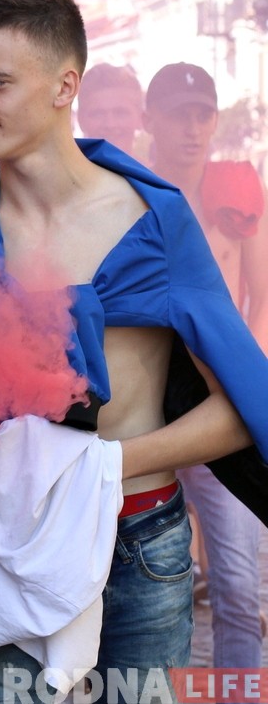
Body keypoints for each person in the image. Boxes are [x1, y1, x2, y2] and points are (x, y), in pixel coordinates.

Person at [0, 0, 268, 704]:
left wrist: (98, 468)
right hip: (6, 551)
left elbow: (239, 409)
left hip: (138, 543)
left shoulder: (151, 220)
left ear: (63, 85)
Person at [142, 61, 267, 675]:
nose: (192, 129)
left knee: (240, 587)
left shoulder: (235, 192)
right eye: (177, 114)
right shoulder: (128, 192)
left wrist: (246, 390)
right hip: (146, 411)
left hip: (221, 411)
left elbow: (262, 301)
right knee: (139, 586)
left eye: (202, 114)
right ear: (151, 120)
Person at [77, 63, 145, 157]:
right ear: (81, 120)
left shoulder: (157, 172)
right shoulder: (57, 171)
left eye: (120, 113)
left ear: (140, 118)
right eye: (98, 114)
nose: (110, 124)